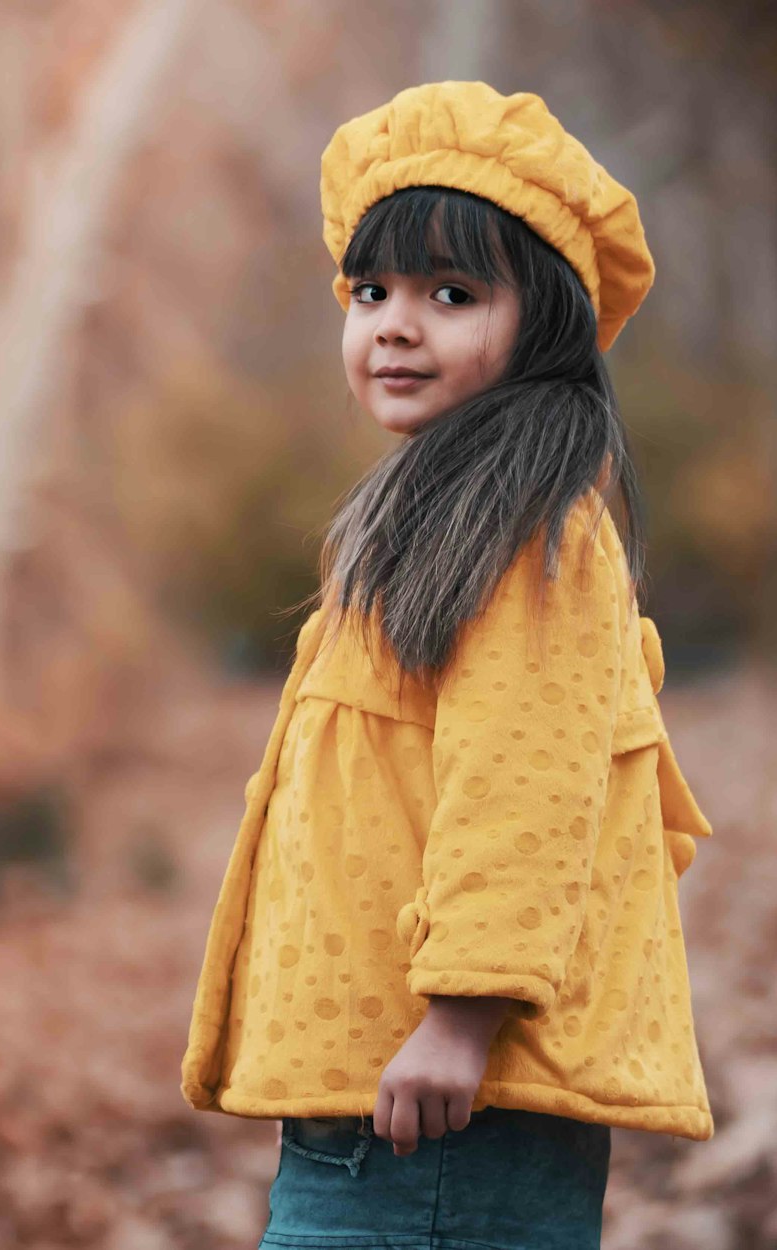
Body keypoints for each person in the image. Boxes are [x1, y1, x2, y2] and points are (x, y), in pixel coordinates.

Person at [180, 81, 715, 1250]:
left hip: (446, 1112)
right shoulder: (431, 513)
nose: (393, 323)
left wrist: (463, 1017)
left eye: (451, 293)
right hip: (381, 1087)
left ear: (549, 322)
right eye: (370, 291)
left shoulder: (536, 528)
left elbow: (524, 782)